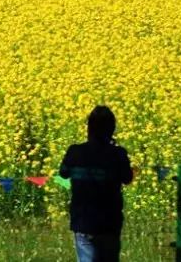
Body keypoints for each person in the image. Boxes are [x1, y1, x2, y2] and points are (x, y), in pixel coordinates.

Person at [58, 105, 134, 262]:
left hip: (83, 223)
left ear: (89, 128)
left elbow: (63, 173)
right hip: (109, 223)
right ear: (111, 129)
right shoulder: (118, 154)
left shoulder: (74, 152)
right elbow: (127, 178)